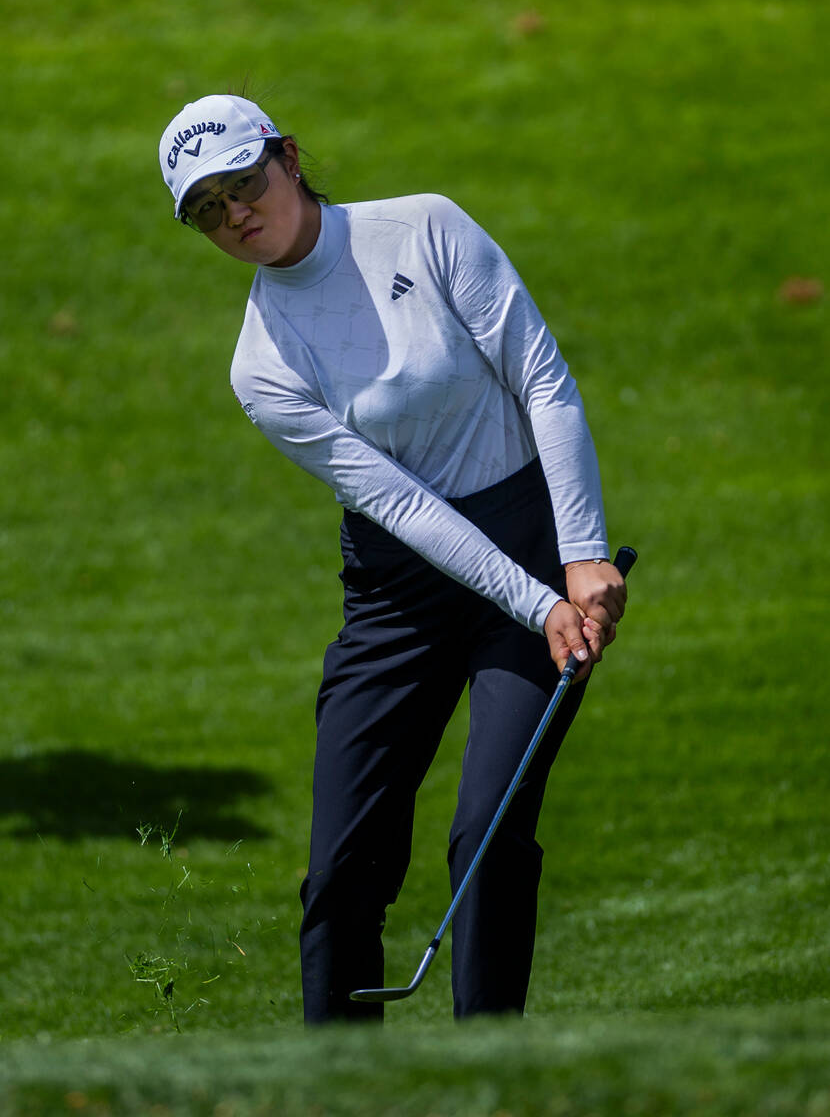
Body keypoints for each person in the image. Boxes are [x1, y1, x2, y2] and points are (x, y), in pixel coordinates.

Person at [158, 94, 628, 1024]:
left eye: (244, 183)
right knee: (342, 864)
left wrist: (577, 559)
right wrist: (537, 604)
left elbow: (542, 376)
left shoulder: (424, 227)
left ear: (289, 158)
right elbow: (402, 505)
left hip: (530, 537)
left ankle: (486, 1069)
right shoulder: (261, 366)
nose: (236, 215)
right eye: (207, 209)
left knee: (488, 833)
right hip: (398, 590)